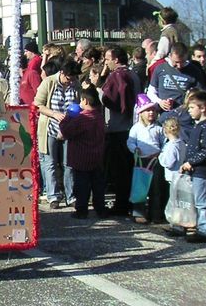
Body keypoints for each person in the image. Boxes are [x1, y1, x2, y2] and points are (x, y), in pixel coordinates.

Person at [34, 58, 81, 208]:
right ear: (62, 73)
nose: (70, 81)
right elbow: (38, 104)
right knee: (50, 162)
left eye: (73, 78)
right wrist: (53, 114)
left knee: (70, 163)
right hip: (50, 127)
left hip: (69, 129)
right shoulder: (48, 82)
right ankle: (53, 196)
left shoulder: (75, 84)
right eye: (69, 78)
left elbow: (79, 103)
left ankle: (71, 195)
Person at [59, 86, 107, 219]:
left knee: (81, 186)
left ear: (85, 101)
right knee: (98, 186)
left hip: (81, 158)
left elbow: (66, 131)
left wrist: (67, 117)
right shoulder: (99, 116)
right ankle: (100, 209)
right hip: (97, 156)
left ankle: (81, 210)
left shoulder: (82, 118)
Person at [101, 45, 136, 215]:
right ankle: (130, 203)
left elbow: (108, 99)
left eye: (107, 59)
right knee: (129, 169)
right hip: (133, 127)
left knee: (119, 170)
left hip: (118, 127)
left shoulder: (116, 76)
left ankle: (121, 205)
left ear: (116, 59)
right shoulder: (134, 75)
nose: (105, 62)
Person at [126, 94, 166, 224]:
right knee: (140, 188)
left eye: (153, 110)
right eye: (148, 110)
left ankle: (156, 213)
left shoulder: (159, 128)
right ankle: (138, 212)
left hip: (155, 161)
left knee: (156, 189)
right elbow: (130, 142)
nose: (151, 113)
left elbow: (164, 142)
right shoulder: (136, 128)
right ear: (141, 113)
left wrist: (161, 153)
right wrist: (134, 148)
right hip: (141, 161)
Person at [179, 89, 206, 243]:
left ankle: (204, 230)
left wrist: (191, 162)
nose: (189, 111)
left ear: (202, 108)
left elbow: (205, 150)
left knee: (202, 202)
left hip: (202, 171)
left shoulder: (205, 127)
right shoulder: (197, 126)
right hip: (196, 171)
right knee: (198, 201)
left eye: (191, 107)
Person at [148, 42, 202, 113]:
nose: (179, 66)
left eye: (182, 62)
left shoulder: (194, 71)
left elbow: (200, 95)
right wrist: (160, 102)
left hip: (185, 114)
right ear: (170, 56)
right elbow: (151, 91)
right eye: (176, 62)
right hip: (163, 114)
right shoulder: (160, 68)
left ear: (186, 56)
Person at [18, 39, 42, 105]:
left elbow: (31, 75)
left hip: (31, 106)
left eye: (26, 51)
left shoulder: (35, 61)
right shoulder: (32, 62)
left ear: (32, 51)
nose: (25, 53)